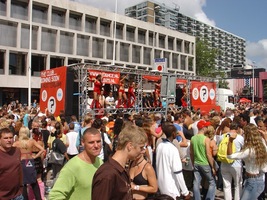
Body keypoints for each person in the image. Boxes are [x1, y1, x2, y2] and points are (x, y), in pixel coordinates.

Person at [92, 123, 147, 200]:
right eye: (141, 147)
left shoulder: (121, 169)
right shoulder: (107, 175)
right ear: (130, 146)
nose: (143, 151)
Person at [49, 127, 103, 200]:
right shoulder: (72, 167)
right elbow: (55, 196)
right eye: (91, 142)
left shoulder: (100, 163)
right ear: (83, 143)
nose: (96, 146)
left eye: (98, 141)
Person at [227, 123, 267, 199]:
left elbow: (230, 156)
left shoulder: (249, 151)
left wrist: (230, 141)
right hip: (260, 179)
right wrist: (265, 138)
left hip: (252, 180)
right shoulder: (262, 145)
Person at [156, 122, 190, 200]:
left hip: (161, 186)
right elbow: (178, 172)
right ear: (173, 134)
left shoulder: (160, 146)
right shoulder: (173, 149)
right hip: (171, 188)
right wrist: (185, 192)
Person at [13, 126, 45, 200]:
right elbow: (42, 149)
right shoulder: (31, 141)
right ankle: (38, 198)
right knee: (34, 182)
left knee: (23, 183)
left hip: (22, 162)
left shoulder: (17, 143)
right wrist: (35, 156)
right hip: (30, 161)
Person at [190, 120, 216, 200]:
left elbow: (191, 153)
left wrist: (193, 163)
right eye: (206, 126)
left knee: (196, 182)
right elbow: (208, 154)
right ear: (203, 128)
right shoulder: (206, 139)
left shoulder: (193, 138)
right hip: (205, 163)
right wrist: (212, 166)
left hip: (196, 163)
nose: (207, 128)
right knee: (212, 182)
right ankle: (209, 198)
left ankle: (197, 198)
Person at [219, 122, 244, 200]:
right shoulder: (240, 138)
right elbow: (243, 149)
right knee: (237, 184)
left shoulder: (222, 136)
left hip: (224, 162)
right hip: (236, 164)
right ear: (237, 129)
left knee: (226, 185)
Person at [0, 128, 23, 200]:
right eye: (5, 138)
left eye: (11, 137)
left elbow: (19, 170)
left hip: (17, 195)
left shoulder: (17, 151)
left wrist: (21, 188)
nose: (9, 140)